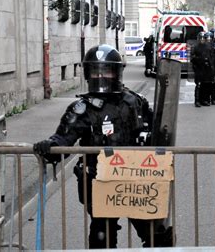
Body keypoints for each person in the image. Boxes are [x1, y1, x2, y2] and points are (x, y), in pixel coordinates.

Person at [33, 44, 173, 248]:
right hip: (100, 182)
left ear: (116, 72)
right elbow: (63, 139)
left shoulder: (134, 102)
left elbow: (157, 132)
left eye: (106, 70)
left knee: (155, 234)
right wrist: (49, 147)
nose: (101, 76)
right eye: (96, 71)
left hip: (136, 180)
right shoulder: (82, 109)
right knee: (102, 237)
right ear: (88, 74)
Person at [191, 32, 215, 107]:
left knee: (206, 84)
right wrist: (200, 60)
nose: (202, 40)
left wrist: (210, 65)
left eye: (203, 38)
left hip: (207, 69)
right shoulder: (195, 47)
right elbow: (192, 58)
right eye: (200, 38)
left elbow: (212, 57)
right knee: (199, 84)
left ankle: (205, 100)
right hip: (199, 68)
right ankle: (197, 101)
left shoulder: (208, 47)